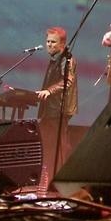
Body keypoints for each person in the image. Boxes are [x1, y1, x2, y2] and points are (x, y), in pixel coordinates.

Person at [35, 26, 77, 191]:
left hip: (58, 110)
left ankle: (55, 184)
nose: (49, 45)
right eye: (47, 41)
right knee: (48, 146)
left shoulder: (67, 59)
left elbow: (68, 80)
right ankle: (48, 180)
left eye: (53, 42)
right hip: (50, 110)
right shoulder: (55, 58)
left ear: (62, 44)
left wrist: (49, 91)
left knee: (57, 148)